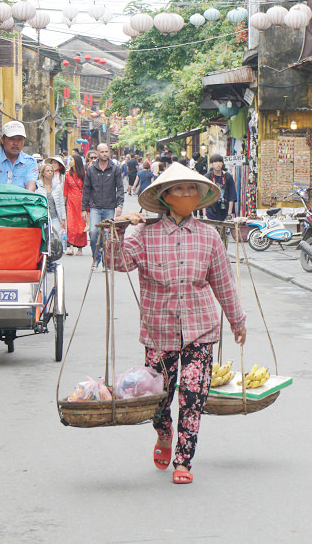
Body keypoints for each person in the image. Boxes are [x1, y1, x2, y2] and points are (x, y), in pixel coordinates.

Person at [105, 163, 247, 485]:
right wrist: (119, 227)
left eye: (191, 189)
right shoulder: (144, 234)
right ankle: (164, 432)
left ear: (199, 196)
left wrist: (237, 321)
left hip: (201, 328)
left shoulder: (209, 237)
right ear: (165, 196)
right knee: (159, 398)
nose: (186, 194)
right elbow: (118, 262)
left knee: (193, 396)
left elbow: (223, 284)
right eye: (178, 189)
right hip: (158, 332)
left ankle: (184, 459)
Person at [82, 142, 125, 268]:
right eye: (102, 152)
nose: (105, 154)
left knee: (108, 235)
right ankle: (96, 257)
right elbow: (86, 189)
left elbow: (120, 188)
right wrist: (84, 208)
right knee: (93, 232)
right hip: (95, 206)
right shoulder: (91, 170)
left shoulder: (115, 168)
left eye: (106, 151)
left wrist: (120, 205)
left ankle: (107, 259)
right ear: (97, 153)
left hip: (109, 206)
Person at [36, 160, 66, 243]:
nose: (50, 173)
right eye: (47, 171)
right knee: (44, 238)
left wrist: (63, 218)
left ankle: (54, 253)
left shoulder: (57, 186)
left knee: (55, 238)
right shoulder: (38, 186)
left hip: (55, 216)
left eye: (51, 171)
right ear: (42, 173)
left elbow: (61, 203)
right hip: (43, 217)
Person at [63, 156, 88, 256]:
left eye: (72, 160)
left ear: (77, 162)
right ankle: (71, 246)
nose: (70, 162)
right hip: (70, 202)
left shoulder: (84, 175)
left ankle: (80, 248)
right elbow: (65, 190)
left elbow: (87, 190)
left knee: (81, 226)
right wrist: (63, 204)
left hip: (81, 203)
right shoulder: (67, 175)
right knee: (71, 224)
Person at [204, 154, 237, 221]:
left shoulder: (227, 177)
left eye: (220, 162)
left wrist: (229, 213)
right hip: (210, 212)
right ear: (211, 164)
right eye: (215, 162)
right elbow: (203, 196)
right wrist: (204, 214)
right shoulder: (207, 177)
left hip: (224, 212)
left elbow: (232, 195)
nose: (218, 164)